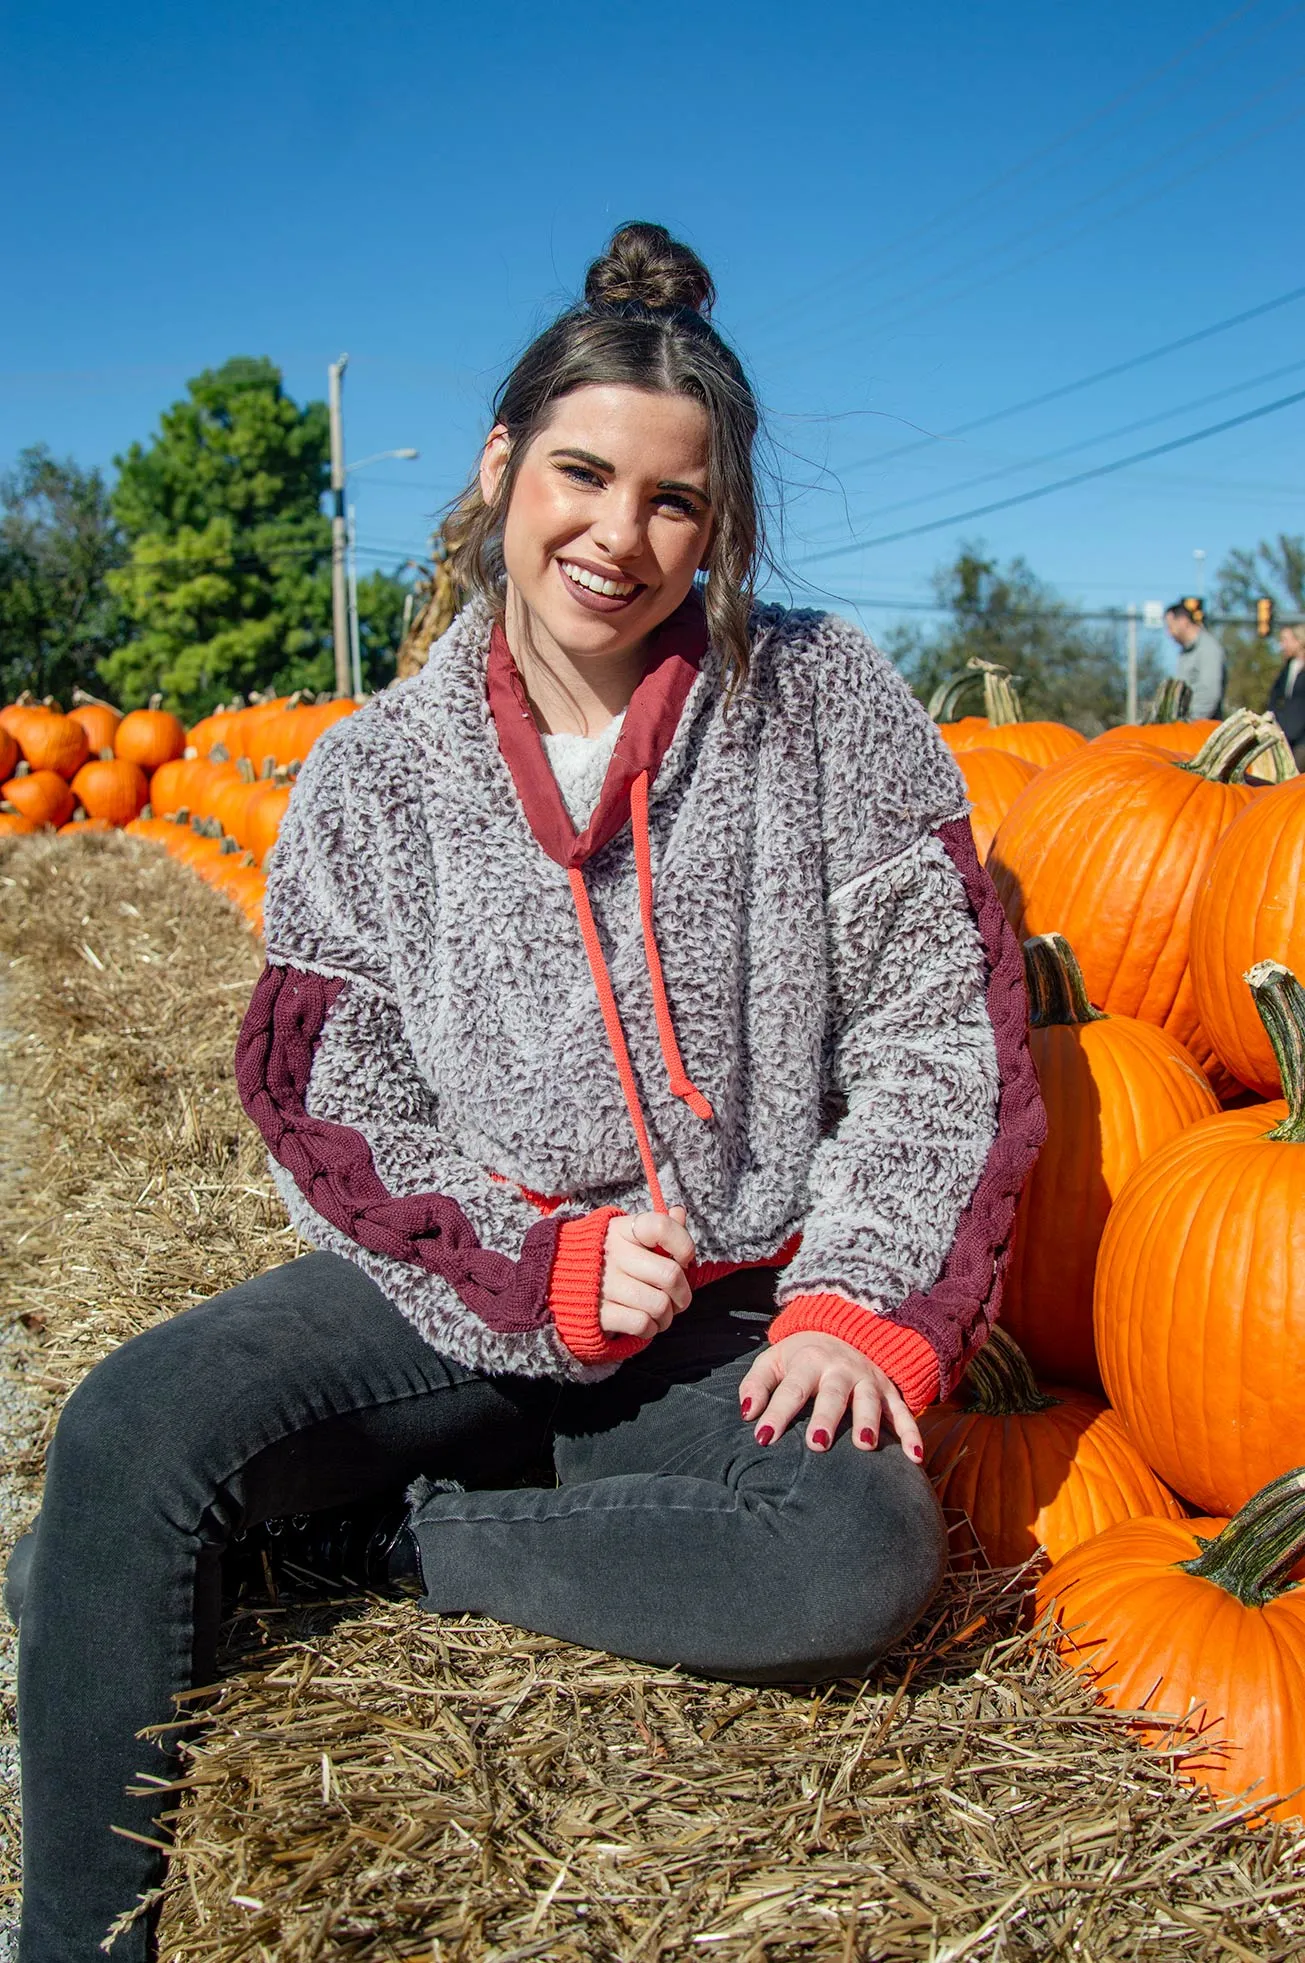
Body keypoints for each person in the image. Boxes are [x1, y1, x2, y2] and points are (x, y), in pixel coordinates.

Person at [6, 221, 1044, 1960]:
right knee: (121, 1449)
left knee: (855, 1551)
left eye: (674, 502)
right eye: (581, 474)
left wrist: (863, 1299)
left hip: (721, 1325)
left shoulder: (825, 706)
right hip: (449, 1297)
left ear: (720, 523)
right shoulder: (375, 775)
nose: (617, 538)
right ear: (502, 467)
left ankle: (402, 1550)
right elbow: (326, 1090)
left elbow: (947, 1028)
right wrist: (529, 1260)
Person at [1163, 596, 1226, 719]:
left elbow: (1209, 694)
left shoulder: (1208, 648)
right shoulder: (1185, 652)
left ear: (1183, 621)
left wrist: (1188, 724)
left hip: (1202, 730)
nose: (1168, 633)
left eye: (1170, 627)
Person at [1268, 617, 1305, 771]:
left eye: (1285, 640)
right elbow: (1276, 698)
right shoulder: (1288, 668)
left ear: (1299, 641)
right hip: (1285, 737)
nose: (1282, 645)